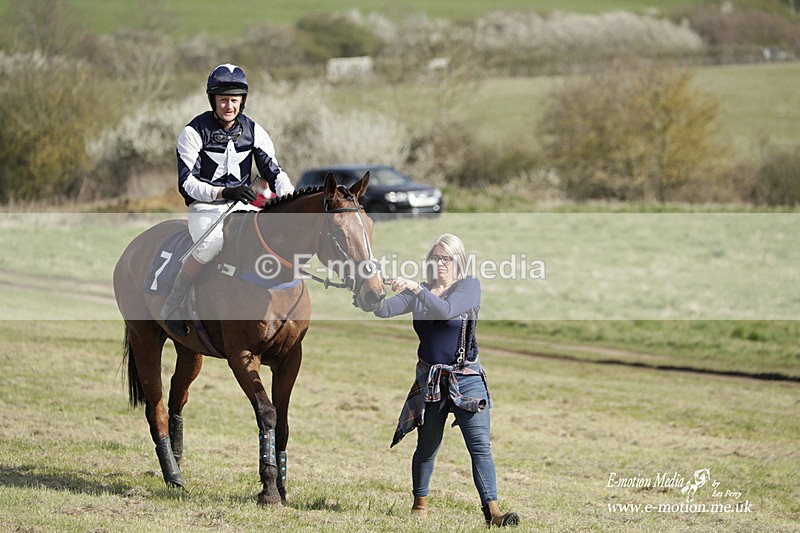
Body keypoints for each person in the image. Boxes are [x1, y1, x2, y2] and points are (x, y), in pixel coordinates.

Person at [373, 233, 519, 527]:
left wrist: (415, 287)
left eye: (446, 258)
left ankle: (493, 513)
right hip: (431, 380)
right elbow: (383, 309)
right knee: (427, 446)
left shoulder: (468, 286)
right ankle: (419, 506)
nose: (440, 263)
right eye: (435, 257)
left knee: (480, 447)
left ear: (458, 261)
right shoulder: (419, 291)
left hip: (467, 378)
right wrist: (369, 288)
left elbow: (446, 310)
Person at [161, 63, 295, 336]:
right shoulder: (193, 132)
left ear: (242, 101)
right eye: (223, 99)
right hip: (205, 207)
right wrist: (223, 192)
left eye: (234, 100)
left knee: (265, 241)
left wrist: (291, 199)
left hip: (241, 207)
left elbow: (275, 172)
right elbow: (186, 184)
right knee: (209, 245)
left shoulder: (255, 131)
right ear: (213, 100)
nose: (229, 106)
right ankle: (173, 303)